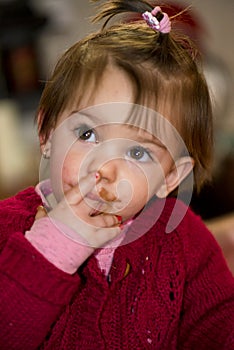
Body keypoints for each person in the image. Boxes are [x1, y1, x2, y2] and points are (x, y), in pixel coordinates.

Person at [0, 1, 233, 349]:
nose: (104, 169)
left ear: (171, 176)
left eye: (138, 152)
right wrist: (53, 248)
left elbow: (219, 328)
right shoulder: (8, 226)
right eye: (87, 134)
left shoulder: (185, 241)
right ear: (47, 132)